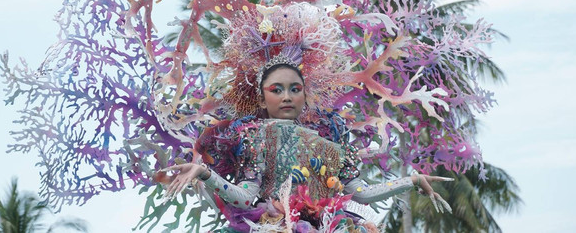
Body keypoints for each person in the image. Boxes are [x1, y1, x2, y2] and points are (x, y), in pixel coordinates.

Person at [163, 55, 452, 232]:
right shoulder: (255, 138)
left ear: (305, 97)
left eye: (295, 89)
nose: (287, 96)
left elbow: (361, 194)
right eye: (277, 90)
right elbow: (245, 197)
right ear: (262, 99)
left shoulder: (330, 148)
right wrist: (205, 173)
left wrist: (411, 180)